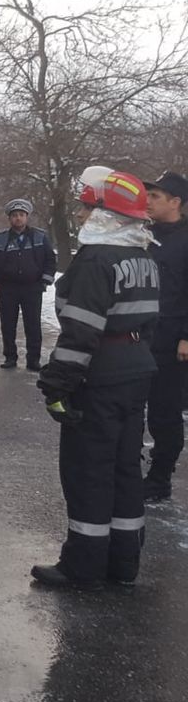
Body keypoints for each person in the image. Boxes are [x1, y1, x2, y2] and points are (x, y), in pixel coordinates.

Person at [33, 169, 158, 589]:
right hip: (136, 368)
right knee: (125, 468)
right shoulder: (143, 256)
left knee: (89, 470)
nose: (83, 214)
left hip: (100, 375)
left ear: (105, 213)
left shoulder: (96, 259)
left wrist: (58, 384)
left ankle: (83, 566)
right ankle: (123, 564)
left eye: (88, 207)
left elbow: (81, 331)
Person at [141, 171, 188, 501]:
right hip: (140, 334)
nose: (149, 201)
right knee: (131, 404)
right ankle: (130, 466)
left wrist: (186, 336)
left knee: (164, 410)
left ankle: (160, 477)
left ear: (176, 203)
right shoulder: (143, 235)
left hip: (172, 340)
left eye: (156, 196)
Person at [0, 198, 57, 371]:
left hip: (32, 288)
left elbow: (50, 261)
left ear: (27, 217)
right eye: (14, 215)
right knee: (8, 325)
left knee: (33, 325)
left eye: (21, 215)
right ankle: (10, 357)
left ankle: (33, 360)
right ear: (9, 218)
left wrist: (45, 281)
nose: (18, 218)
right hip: (7, 289)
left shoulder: (39, 237)